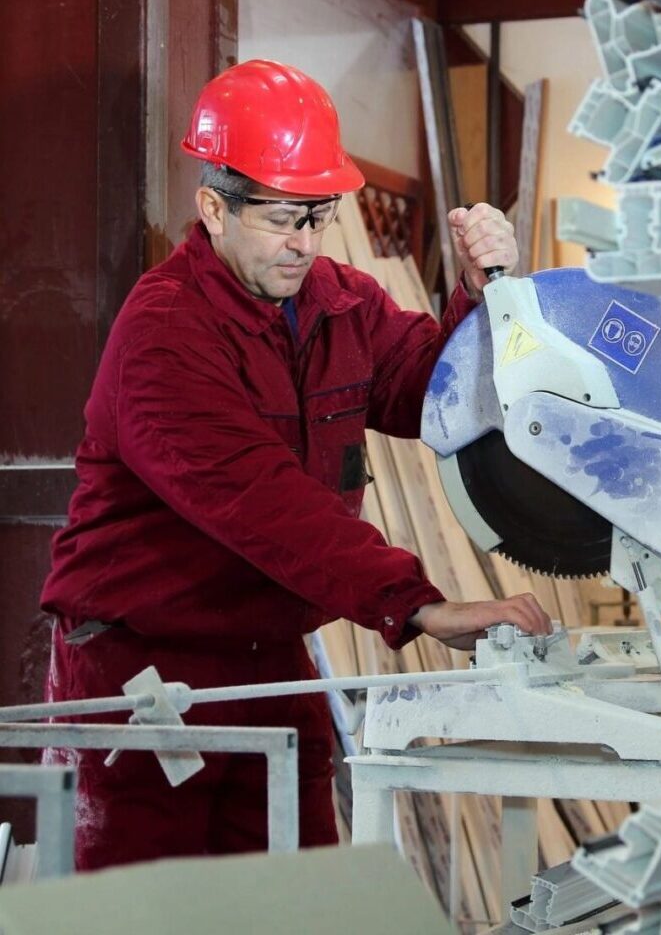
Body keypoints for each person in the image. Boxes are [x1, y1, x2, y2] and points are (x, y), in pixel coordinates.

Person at [39, 59, 553, 871]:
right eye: (283, 218)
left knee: (293, 899)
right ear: (214, 207)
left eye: (318, 217)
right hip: (143, 670)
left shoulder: (341, 302)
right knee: (137, 917)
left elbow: (434, 395)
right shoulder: (164, 332)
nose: (305, 243)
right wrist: (417, 605)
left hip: (270, 658)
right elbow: (260, 499)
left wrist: (479, 296)